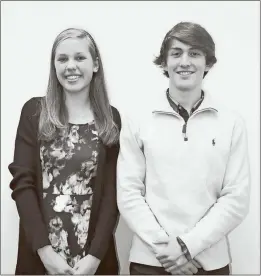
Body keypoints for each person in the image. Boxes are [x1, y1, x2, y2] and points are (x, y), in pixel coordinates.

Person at [117, 22, 250, 275]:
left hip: (209, 263)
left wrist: (188, 246)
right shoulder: (138, 120)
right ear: (165, 62)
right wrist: (168, 251)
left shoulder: (231, 122)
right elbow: (128, 193)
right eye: (176, 53)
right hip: (151, 262)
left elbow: (236, 198)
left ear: (208, 63)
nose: (184, 61)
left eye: (195, 53)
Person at [8, 28, 121, 275]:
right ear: (54, 66)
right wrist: (44, 252)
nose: (71, 66)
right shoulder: (34, 112)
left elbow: (112, 195)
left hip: (93, 261)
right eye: (62, 59)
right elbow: (22, 184)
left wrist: (94, 258)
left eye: (80, 58)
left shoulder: (110, 119)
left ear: (95, 65)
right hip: (40, 257)